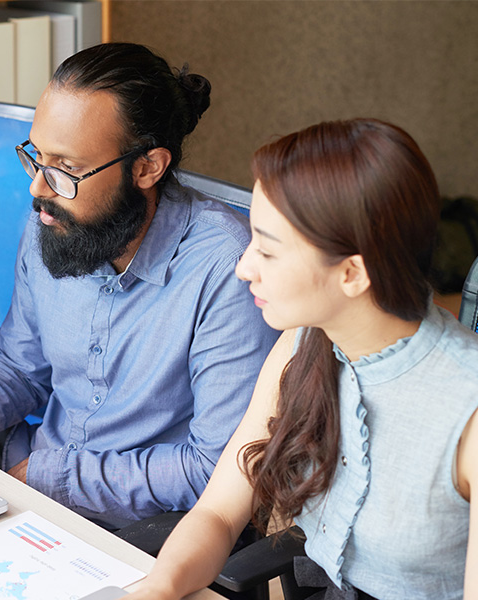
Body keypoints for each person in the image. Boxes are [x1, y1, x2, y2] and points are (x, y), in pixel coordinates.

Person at [0, 43, 278, 529]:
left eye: (67, 168)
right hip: (25, 486)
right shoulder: (55, 219)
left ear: (148, 167)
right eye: (37, 156)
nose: (38, 185)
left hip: (149, 533)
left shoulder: (228, 269)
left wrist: (52, 478)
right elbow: (21, 369)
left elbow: (218, 467)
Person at [126, 119, 478, 600]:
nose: (243, 267)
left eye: (268, 252)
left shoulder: (467, 408)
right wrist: (155, 590)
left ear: (353, 272)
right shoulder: (302, 343)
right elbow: (218, 512)